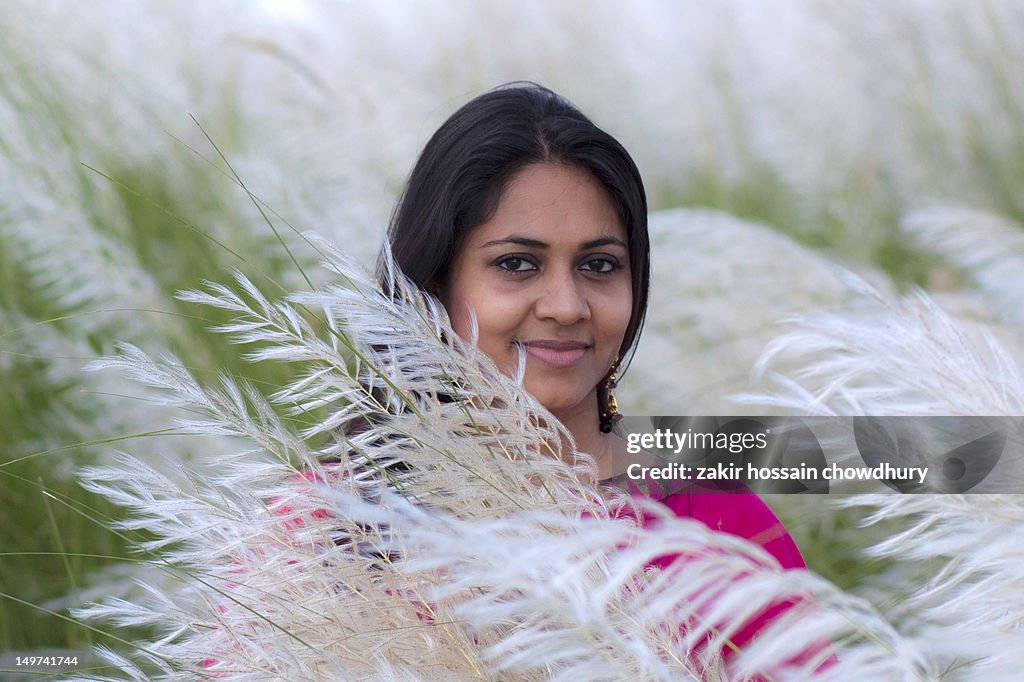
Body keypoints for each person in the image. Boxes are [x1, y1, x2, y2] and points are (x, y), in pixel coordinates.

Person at [383, 82, 809, 662]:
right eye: (517, 264)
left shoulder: (721, 522)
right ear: (435, 282)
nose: (567, 305)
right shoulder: (334, 521)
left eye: (599, 265)